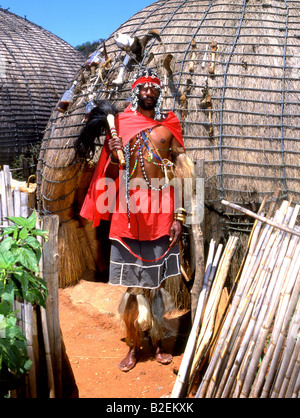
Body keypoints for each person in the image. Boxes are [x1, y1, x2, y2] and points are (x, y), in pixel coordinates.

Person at [79, 68, 193, 372]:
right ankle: (134, 345)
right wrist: (113, 153)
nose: (149, 91)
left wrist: (179, 216)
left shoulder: (169, 126)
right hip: (128, 212)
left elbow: (180, 175)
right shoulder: (122, 125)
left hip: (161, 210)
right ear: (135, 91)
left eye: (154, 87)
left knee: (156, 285)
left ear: (158, 92)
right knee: (131, 286)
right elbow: (113, 174)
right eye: (143, 87)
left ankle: (156, 342)